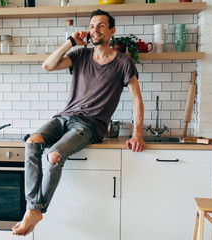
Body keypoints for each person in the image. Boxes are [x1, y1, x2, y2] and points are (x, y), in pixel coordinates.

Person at [11, 9, 145, 236]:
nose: (95, 30)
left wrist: (137, 134)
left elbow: (136, 99)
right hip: (64, 118)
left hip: (89, 126)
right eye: (92, 26)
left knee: (54, 154)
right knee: (32, 141)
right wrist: (71, 42)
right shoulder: (80, 55)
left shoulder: (123, 62)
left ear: (112, 31)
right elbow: (48, 66)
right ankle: (34, 209)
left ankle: (35, 210)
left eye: (101, 26)